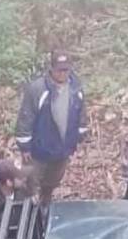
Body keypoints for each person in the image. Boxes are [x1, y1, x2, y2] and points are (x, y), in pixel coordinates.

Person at [15, 49, 88, 208]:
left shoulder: (76, 87)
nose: (63, 73)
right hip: (38, 149)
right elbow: (25, 117)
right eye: (59, 69)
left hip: (63, 147)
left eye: (66, 70)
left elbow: (81, 112)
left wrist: (80, 134)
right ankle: (26, 212)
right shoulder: (37, 89)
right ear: (52, 68)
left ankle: (45, 206)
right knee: (31, 183)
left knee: (52, 182)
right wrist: (24, 146)